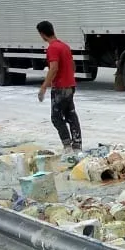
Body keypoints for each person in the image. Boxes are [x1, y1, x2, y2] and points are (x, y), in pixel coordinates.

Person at [36, 20, 82, 152]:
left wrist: (44, 86)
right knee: (70, 115)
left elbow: (54, 68)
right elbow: (72, 66)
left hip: (60, 87)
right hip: (70, 85)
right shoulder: (65, 46)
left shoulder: (52, 48)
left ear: (42, 34)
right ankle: (77, 145)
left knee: (56, 117)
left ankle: (67, 145)